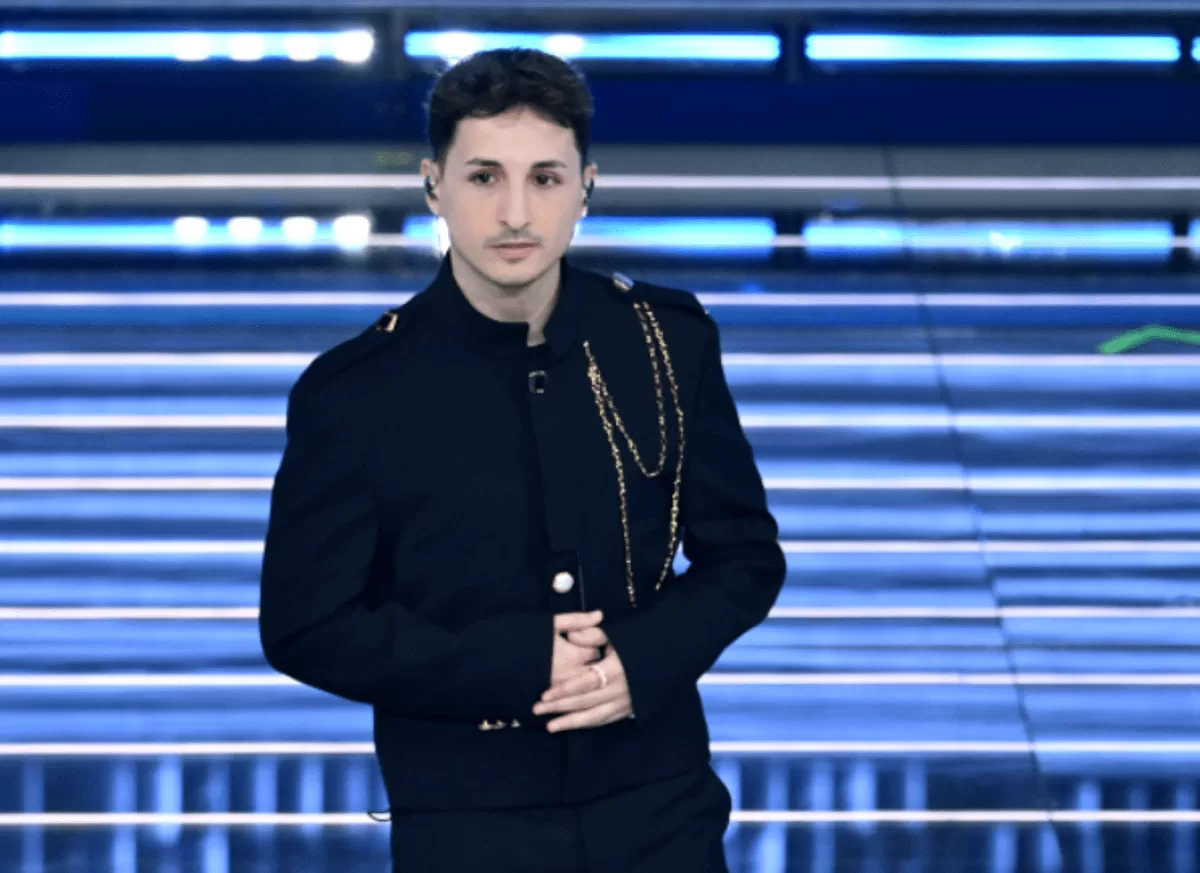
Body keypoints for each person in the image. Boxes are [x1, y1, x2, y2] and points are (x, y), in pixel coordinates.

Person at [257, 47, 786, 872]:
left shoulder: (667, 342)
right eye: (483, 177)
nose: (514, 213)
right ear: (433, 185)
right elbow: (306, 626)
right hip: (466, 824)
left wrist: (641, 661)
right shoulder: (354, 393)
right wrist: (514, 662)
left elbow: (746, 558)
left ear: (586, 187)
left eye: (544, 178)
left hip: (662, 809)